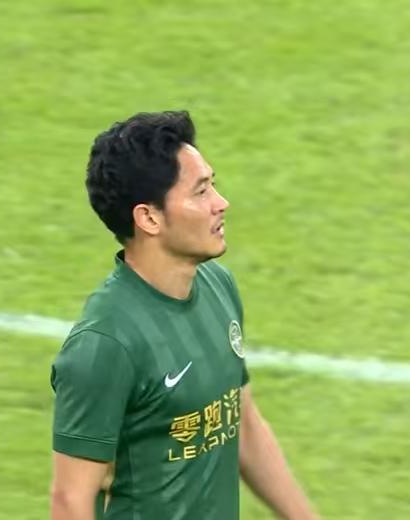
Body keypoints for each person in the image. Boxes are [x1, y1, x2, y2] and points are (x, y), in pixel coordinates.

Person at [49, 111, 319, 520]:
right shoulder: (106, 344)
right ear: (149, 217)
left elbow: (243, 427)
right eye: (201, 192)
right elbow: (70, 502)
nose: (221, 203)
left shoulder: (218, 287)